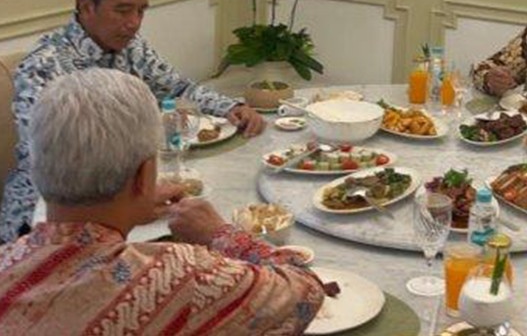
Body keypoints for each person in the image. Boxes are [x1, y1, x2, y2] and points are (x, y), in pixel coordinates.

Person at [0, 69, 323, 333]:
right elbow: (305, 291)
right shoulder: (179, 278)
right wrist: (221, 234)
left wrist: (132, 204)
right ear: (144, 175)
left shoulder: (7, 262)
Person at [1, 0, 265, 243]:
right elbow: (54, 163)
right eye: (123, 10)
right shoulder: (42, 67)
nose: (134, 23)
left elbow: (178, 87)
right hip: (44, 215)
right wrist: (135, 200)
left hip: (119, 198)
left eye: (141, 11)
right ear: (86, 7)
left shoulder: (132, 47)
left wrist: (231, 106)